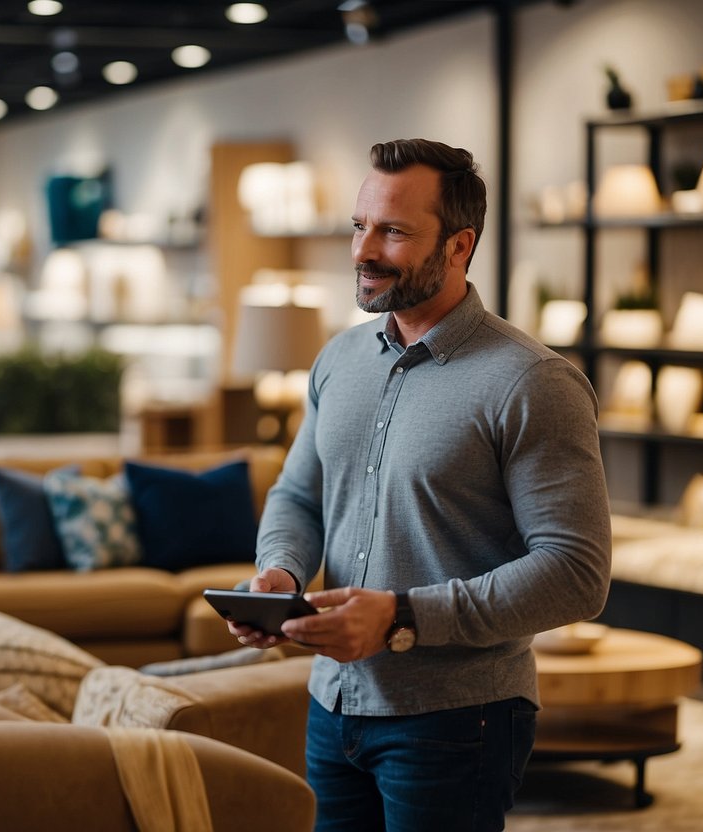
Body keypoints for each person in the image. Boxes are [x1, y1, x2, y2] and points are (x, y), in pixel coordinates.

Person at [230, 139, 612, 831]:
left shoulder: (531, 383)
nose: (362, 250)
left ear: (459, 246)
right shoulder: (338, 359)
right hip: (332, 703)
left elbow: (576, 574)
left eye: (393, 231)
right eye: (358, 225)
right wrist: (279, 573)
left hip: (456, 721)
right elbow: (297, 496)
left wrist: (401, 616)